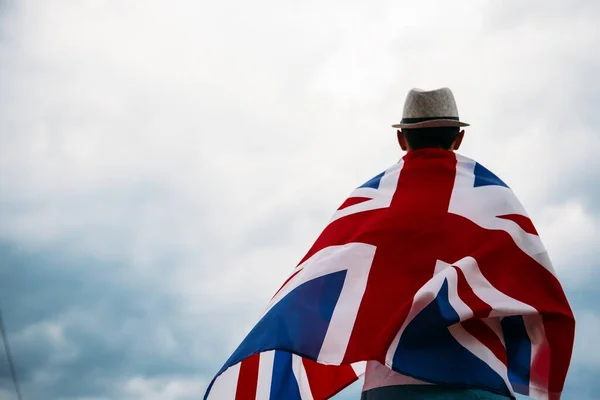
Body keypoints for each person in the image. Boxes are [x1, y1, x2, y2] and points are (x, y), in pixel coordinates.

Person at [361, 88, 509, 400]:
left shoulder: (369, 205)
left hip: (391, 384)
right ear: (459, 139)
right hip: (476, 377)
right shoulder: (494, 197)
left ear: (402, 139)